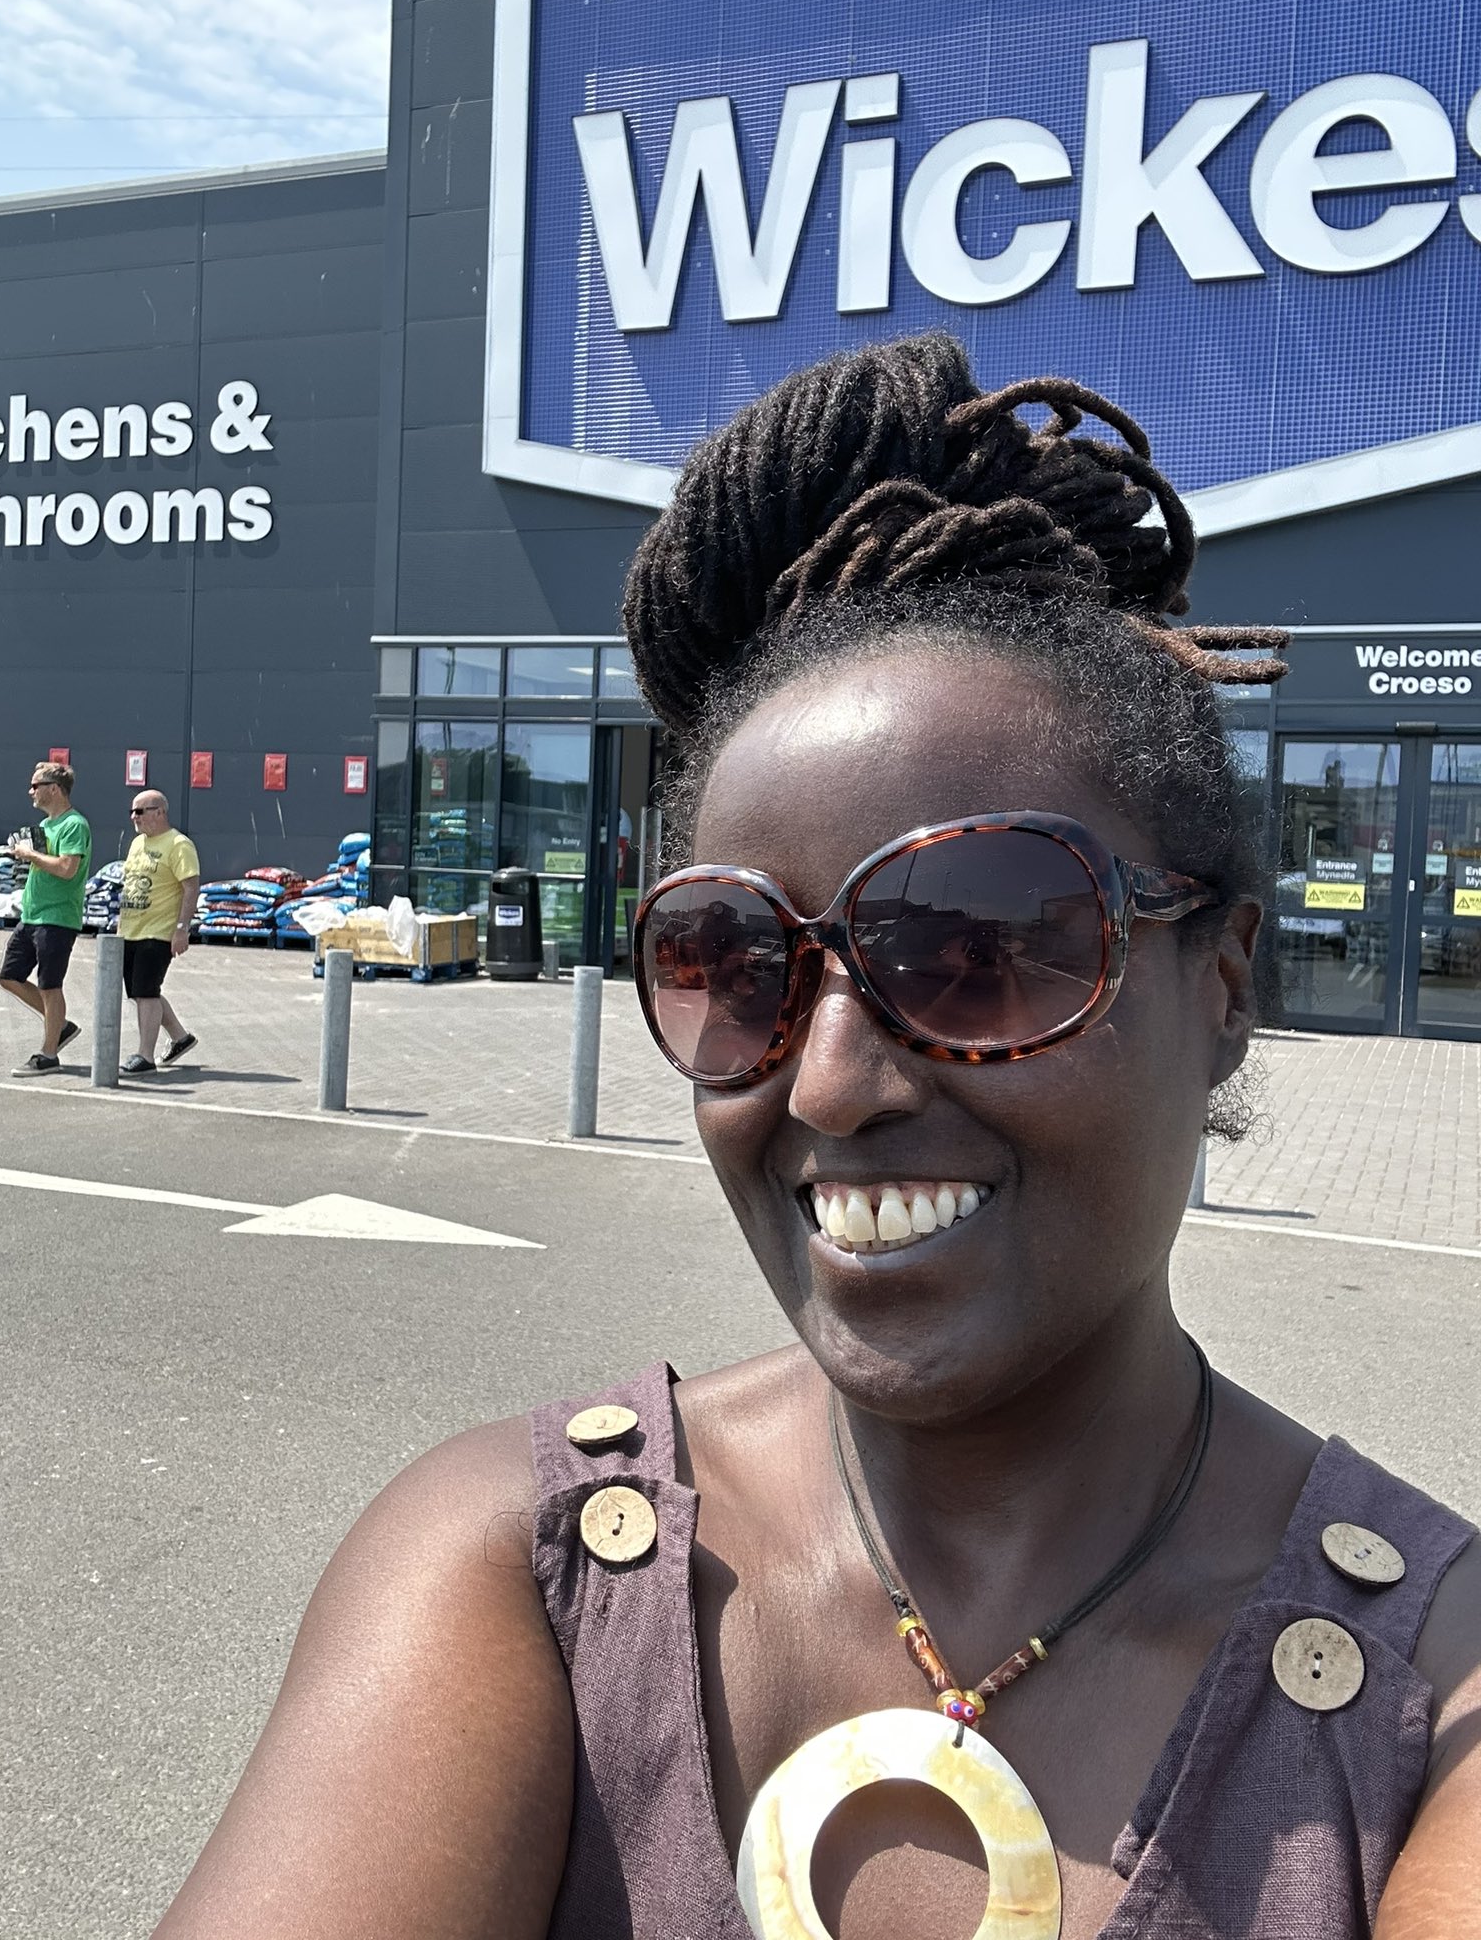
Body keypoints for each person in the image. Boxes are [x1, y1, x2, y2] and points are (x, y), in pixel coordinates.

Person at [152, 340, 1480, 1940]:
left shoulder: (1436, 1693)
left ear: (1226, 984)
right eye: (735, 960)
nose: (831, 1083)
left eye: (981, 941)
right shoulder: (513, 1574)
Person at [0, 760, 91, 1077]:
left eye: (35, 786)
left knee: (50, 986)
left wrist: (31, 855)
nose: (31, 792)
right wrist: (21, 853)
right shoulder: (45, 825)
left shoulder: (74, 825)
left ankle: (48, 1054)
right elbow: (44, 863)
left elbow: (67, 869)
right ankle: (60, 1025)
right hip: (32, 915)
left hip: (57, 917)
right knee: (9, 976)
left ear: (54, 789)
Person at [118, 790, 200, 1075]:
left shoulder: (178, 844)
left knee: (146, 993)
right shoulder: (137, 843)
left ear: (160, 812)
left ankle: (145, 1055)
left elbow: (191, 887)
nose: (134, 817)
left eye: (140, 811)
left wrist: (181, 929)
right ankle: (180, 1037)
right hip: (131, 930)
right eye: (132, 812)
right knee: (141, 991)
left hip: (158, 932)